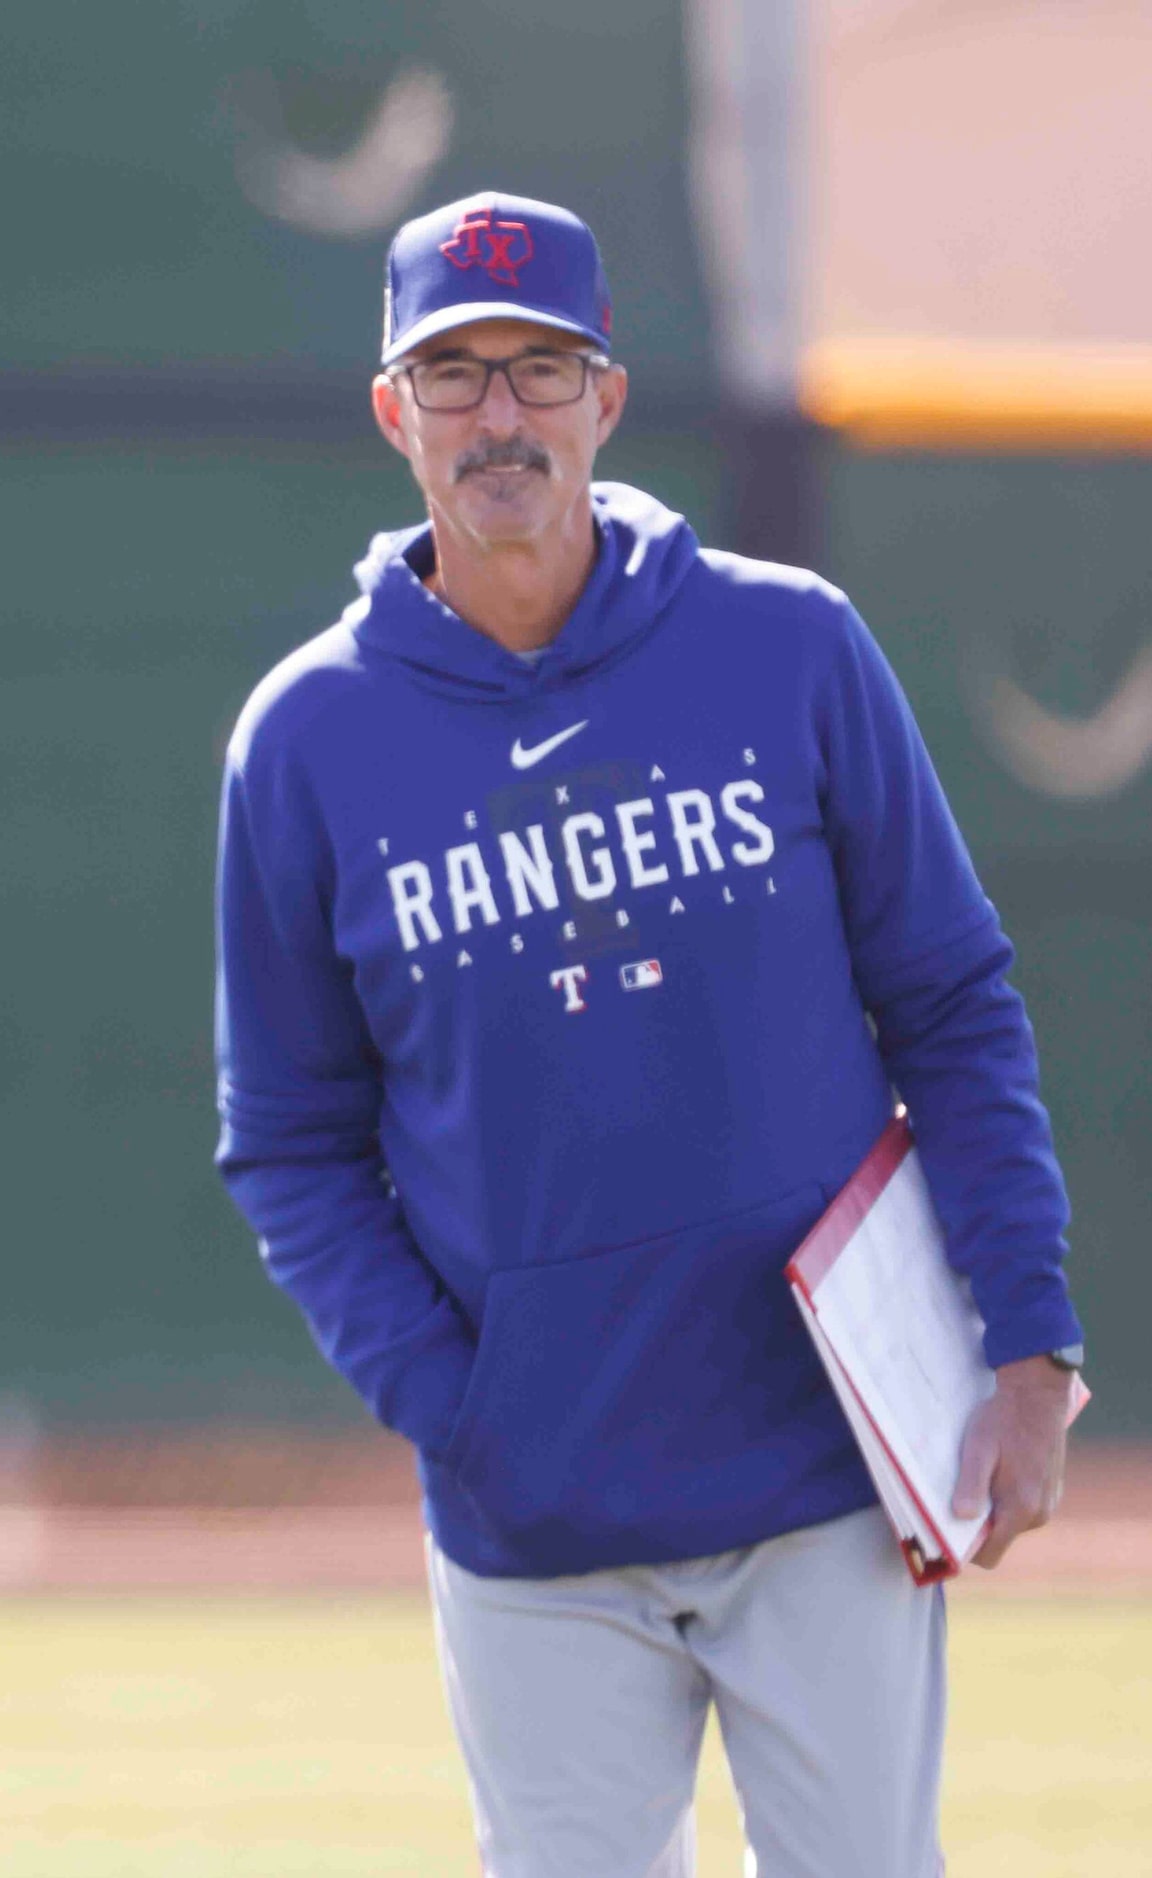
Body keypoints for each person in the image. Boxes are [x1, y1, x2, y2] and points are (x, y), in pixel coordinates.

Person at [213, 192, 1085, 1874]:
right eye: (453, 376)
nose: (501, 416)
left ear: (609, 399)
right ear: (394, 416)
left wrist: (1031, 1344)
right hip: (536, 1515)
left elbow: (954, 1007)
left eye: (542, 369)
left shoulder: (790, 645)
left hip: (825, 1467)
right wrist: (461, 1400)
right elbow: (293, 1142)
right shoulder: (306, 742)